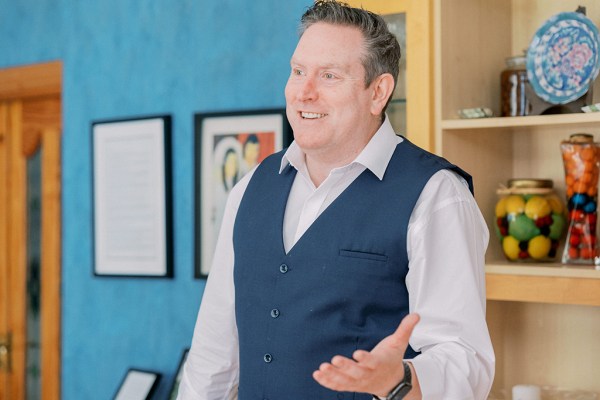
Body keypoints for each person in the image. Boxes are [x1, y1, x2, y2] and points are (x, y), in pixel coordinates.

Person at [178, 1, 495, 399]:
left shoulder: (436, 195)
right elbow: (214, 354)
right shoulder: (249, 189)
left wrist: (400, 379)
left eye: (329, 76)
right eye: (297, 72)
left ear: (378, 92)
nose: (304, 93)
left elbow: (466, 360)